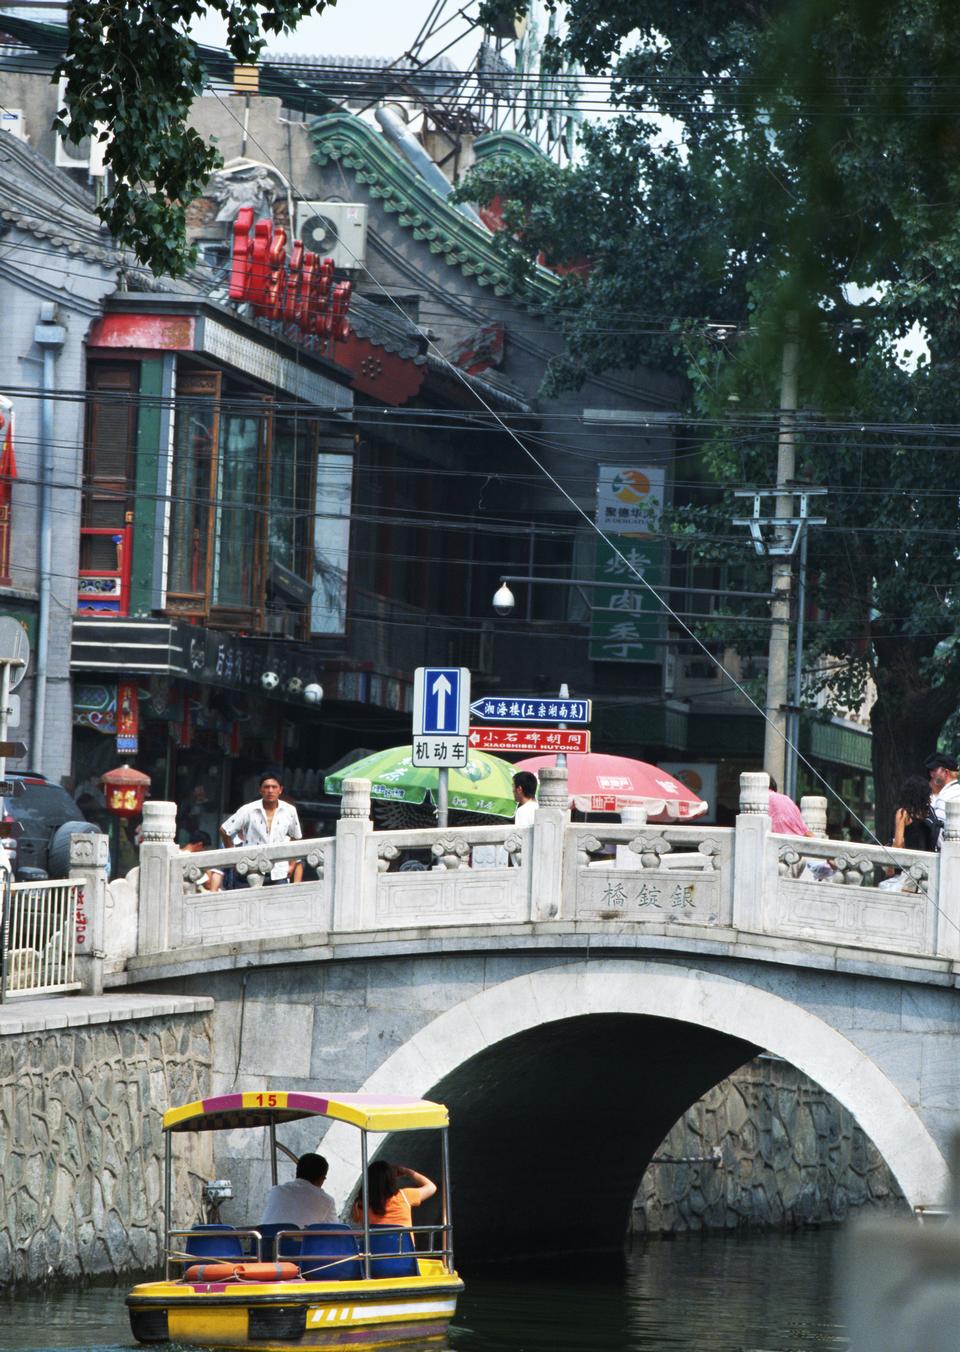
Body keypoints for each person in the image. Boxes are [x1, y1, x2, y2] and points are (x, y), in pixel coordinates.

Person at [220, 769, 303, 884]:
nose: (270, 790)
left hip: (279, 871)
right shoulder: (248, 809)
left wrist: (292, 864)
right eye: (266, 787)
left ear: (280, 790)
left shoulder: (289, 810)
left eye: (274, 787)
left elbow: (296, 837)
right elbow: (224, 830)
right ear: (260, 790)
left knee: (278, 902)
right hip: (251, 869)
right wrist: (234, 858)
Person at [350, 1160, 436, 1230]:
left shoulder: (359, 1206)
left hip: (375, 1250)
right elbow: (432, 1187)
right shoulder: (405, 1196)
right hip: (404, 1250)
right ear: (391, 1180)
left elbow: (354, 1219)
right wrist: (406, 1171)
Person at [260, 1152, 337, 1227]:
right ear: (321, 1179)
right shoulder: (326, 1201)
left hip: (266, 1239)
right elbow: (335, 1232)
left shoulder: (275, 1191)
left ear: (297, 1172)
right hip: (300, 1239)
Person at [891, 776, 941, 852]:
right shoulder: (929, 811)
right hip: (928, 857)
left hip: (910, 858)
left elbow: (898, 843)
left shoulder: (903, 813)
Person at [924, 753, 960, 834]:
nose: (932, 774)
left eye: (935, 770)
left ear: (946, 773)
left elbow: (937, 830)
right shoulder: (951, 791)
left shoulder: (950, 795)